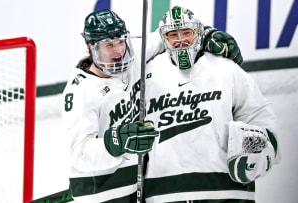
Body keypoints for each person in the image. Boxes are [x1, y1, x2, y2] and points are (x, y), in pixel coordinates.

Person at [61, 9, 244, 203]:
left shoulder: (133, 55)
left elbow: (165, 35)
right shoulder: (80, 91)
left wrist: (207, 35)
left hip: (137, 184)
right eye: (108, 45)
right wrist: (115, 142)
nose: (117, 51)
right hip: (100, 193)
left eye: (120, 42)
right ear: (91, 47)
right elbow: (79, 154)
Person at [143, 6, 280, 203]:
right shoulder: (148, 74)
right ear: (163, 39)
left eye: (187, 33)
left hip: (226, 190)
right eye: (173, 34)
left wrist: (260, 149)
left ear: (199, 32)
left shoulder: (226, 69)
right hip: (165, 191)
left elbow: (258, 114)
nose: (181, 40)